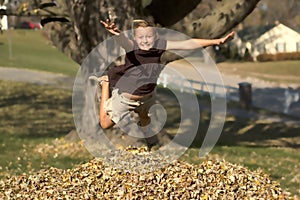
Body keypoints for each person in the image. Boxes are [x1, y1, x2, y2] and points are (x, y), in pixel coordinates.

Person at [93, 18, 234, 147]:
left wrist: (217, 41)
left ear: (155, 37)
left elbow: (188, 44)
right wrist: (116, 33)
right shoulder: (133, 48)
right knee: (105, 124)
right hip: (127, 99)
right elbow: (123, 41)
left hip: (148, 96)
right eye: (140, 37)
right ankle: (105, 82)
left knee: (145, 123)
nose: (145, 40)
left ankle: (147, 132)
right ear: (135, 38)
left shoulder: (160, 46)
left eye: (149, 37)